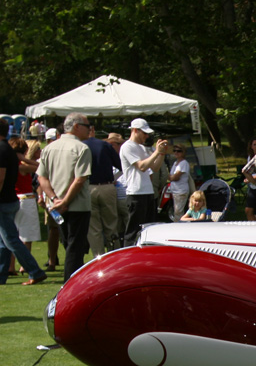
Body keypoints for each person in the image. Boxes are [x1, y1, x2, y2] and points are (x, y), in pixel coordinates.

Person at [38, 112, 94, 280]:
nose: (90, 130)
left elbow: (42, 177)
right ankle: (70, 282)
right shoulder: (82, 148)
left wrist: (55, 199)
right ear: (76, 126)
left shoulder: (49, 148)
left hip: (57, 206)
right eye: (87, 126)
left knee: (69, 244)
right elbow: (80, 179)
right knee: (75, 246)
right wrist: (65, 201)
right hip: (76, 205)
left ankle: (71, 279)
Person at [0, 119, 47, 285]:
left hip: (7, 200)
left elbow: (1, 178)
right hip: (15, 199)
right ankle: (2, 273)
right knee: (6, 240)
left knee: (10, 239)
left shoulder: (3, 151)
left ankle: (34, 270)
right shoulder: (11, 154)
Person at [119, 118, 170, 245]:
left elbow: (155, 167)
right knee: (133, 231)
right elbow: (141, 166)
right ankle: (128, 256)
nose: (146, 136)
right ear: (135, 130)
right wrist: (156, 152)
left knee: (148, 229)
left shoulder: (141, 148)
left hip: (148, 192)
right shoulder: (127, 147)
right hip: (136, 193)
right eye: (144, 133)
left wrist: (161, 154)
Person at [83, 125, 121, 255]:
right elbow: (120, 164)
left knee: (93, 228)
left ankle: (97, 257)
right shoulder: (105, 145)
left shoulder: (80, 146)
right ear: (93, 130)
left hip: (88, 187)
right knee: (111, 224)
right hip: (107, 186)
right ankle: (113, 254)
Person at [7, 137, 40, 275]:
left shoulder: (7, 164)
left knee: (11, 234)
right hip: (26, 199)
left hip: (12, 199)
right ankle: (25, 265)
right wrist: (25, 159)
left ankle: (10, 266)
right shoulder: (22, 165)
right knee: (26, 235)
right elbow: (40, 168)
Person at [243, 137, 256, 220]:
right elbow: (247, 171)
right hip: (252, 187)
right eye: (254, 145)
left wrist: (252, 177)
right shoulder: (250, 157)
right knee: (248, 210)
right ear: (251, 146)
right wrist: (247, 178)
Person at [167, 145, 190, 221]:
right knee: (177, 212)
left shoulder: (184, 163)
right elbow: (171, 176)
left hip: (181, 191)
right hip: (175, 191)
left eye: (179, 151)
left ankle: (179, 227)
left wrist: (170, 177)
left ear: (183, 152)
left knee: (178, 212)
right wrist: (171, 177)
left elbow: (176, 177)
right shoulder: (175, 163)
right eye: (174, 150)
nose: (176, 152)